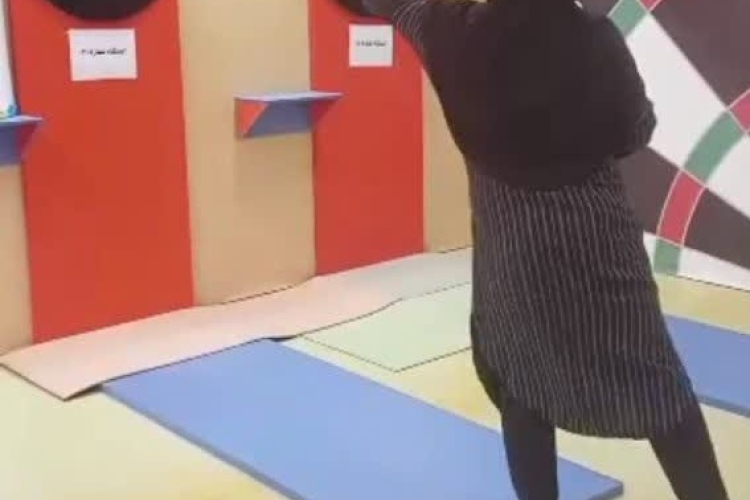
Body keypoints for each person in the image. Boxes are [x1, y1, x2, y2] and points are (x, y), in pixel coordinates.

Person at [331, 0, 730, 498]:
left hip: (510, 251)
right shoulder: (593, 37)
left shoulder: (444, 28)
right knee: (656, 387)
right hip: (597, 245)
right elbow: (635, 131)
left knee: (521, 377)